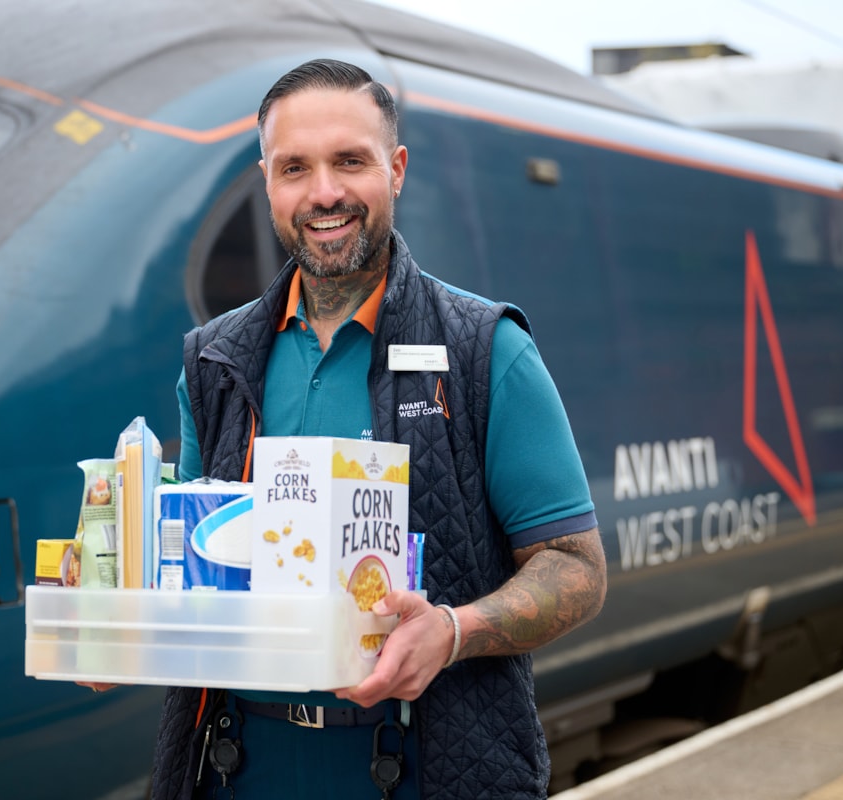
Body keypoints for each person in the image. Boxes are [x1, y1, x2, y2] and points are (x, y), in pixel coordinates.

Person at [148, 58, 608, 799]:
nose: (324, 192)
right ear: (268, 180)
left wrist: (454, 632)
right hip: (240, 769)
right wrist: (124, 625)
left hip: (418, 770)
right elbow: (193, 564)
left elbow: (577, 569)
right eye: (296, 167)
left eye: (350, 162)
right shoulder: (214, 362)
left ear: (395, 170)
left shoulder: (483, 350)